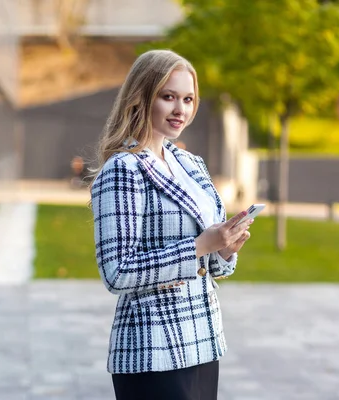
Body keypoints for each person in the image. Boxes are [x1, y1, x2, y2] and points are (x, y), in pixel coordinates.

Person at [89, 49, 254, 400]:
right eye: (169, 97)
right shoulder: (123, 169)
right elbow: (116, 272)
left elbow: (210, 263)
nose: (181, 109)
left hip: (203, 341)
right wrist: (199, 246)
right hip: (151, 349)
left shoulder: (190, 163)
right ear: (142, 97)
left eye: (188, 99)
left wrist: (223, 250)